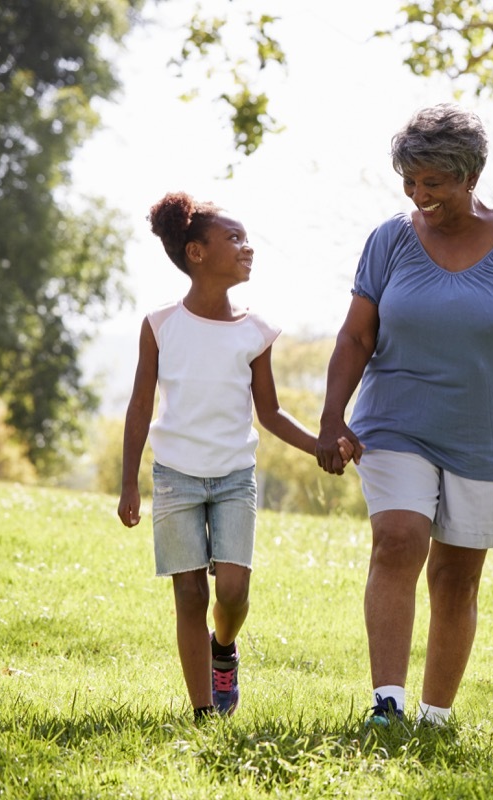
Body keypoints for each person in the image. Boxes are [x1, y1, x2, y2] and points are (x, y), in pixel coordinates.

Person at [315, 104, 493, 728]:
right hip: (396, 420)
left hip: (487, 431)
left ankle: (435, 717)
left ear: (469, 175)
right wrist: (333, 417)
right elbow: (356, 337)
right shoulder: (390, 239)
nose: (418, 194)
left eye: (431, 181)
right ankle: (387, 705)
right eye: (410, 182)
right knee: (398, 539)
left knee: (457, 576)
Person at [117, 192, 357, 722]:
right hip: (175, 478)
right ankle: (204, 711)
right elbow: (139, 407)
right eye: (235, 239)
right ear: (197, 253)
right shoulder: (159, 326)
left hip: (232, 478)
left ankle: (224, 648)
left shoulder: (256, 331)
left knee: (232, 589)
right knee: (187, 595)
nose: (248, 248)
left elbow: (268, 413)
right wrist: (130, 482)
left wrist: (320, 443)